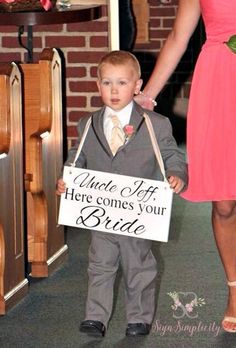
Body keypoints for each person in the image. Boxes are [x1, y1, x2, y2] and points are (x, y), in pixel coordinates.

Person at [56, 50, 187, 337]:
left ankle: (138, 318)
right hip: (101, 211)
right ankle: (95, 317)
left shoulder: (156, 123)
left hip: (138, 213)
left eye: (122, 83)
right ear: (98, 85)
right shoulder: (88, 123)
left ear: (138, 86)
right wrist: (68, 179)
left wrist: (178, 176)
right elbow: (77, 158)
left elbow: (172, 156)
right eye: (107, 83)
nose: (114, 91)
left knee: (138, 265)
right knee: (99, 265)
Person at [134, 0, 236, 333]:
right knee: (224, 202)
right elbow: (179, 35)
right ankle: (235, 289)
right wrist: (147, 97)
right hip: (220, 81)